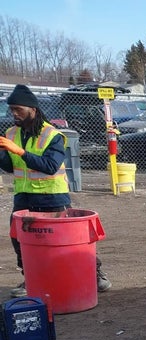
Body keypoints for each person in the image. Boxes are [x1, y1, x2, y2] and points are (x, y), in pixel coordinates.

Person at [0, 84, 111, 298]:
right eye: (11, 109)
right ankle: (31, 277)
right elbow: (9, 166)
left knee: (66, 241)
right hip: (24, 196)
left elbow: (50, 166)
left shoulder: (52, 135)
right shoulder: (11, 133)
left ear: (32, 109)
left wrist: (20, 151)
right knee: (21, 240)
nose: (14, 114)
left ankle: (94, 274)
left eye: (18, 110)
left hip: (52, 196)